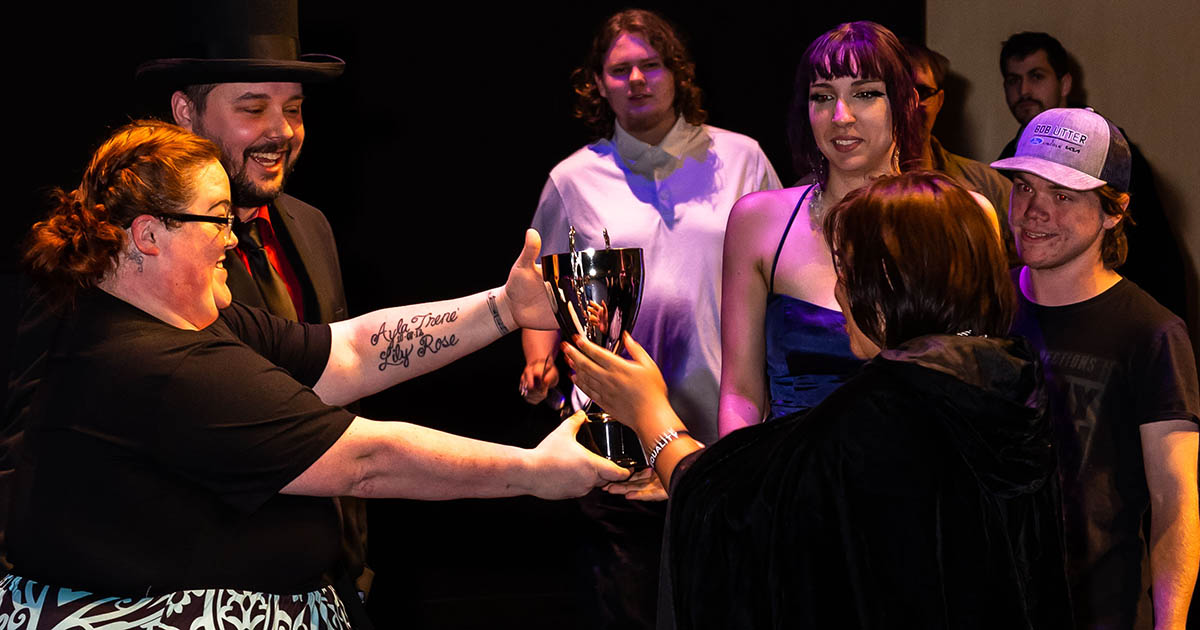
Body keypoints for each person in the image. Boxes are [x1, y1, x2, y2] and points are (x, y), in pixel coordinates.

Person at [0, 120, 628, 629]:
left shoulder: (175, 318)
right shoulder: (153, 365)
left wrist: (504, 310)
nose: (232, 239)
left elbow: (347, 353)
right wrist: (537, 473)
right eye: (217, 218)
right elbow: (367, 460)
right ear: (149, 235)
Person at [565, 171, 1072, 629]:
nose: (840, 294)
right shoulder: (1007, 381)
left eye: (848, 273)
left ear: (892, 283)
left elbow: (737, 515)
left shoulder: (888, 408)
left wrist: (651, 415)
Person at [516, 9, 780, 627]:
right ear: (597, 84)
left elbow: (784, 270)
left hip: (725, 430)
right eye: (619, 69)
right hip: (617, 444)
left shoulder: (742, 159)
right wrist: (537, 358)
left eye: (651, 64)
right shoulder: (573, 179)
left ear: (676, 73)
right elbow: (539, 288)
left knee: (724, 604)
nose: (636, 79)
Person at [134, 2, 375, 619]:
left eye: (293, 108)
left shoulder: (310, 227)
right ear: (186, 113)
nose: (282, 130)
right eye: (253, 108)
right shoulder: (129, 257)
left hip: (329, 590)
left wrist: (352, 562)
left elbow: (339, 382)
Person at [992, 107, 1199, 630]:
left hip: (1100, 611)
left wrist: (1169, 624)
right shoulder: (983, 306)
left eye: (1062, 196)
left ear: (1114, 210)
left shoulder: (1152, 332)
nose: (1033, 211)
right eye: (1024, 187)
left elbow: (1174, 501)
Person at [718, 21, 923, 436]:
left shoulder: (961, 218)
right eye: (823, 97)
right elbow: (740, 393)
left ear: (905, 103)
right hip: (792, 485)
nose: (840, 116)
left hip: (915, 487)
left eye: (865, 94)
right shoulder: (757, 222)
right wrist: (739, 484)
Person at [995, 32, 1185, 317]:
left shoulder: (1110, 153)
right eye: (1013, 80)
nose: (1024, 90)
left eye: (1036, 76)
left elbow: (1158, 255)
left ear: (1065, 83)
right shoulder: (1010, 153)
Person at [904, 41, 1017, 265]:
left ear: (940, 100)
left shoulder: (988, 186)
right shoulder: (853, 185)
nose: (911, 104)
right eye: (900, 92)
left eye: (923, 92)